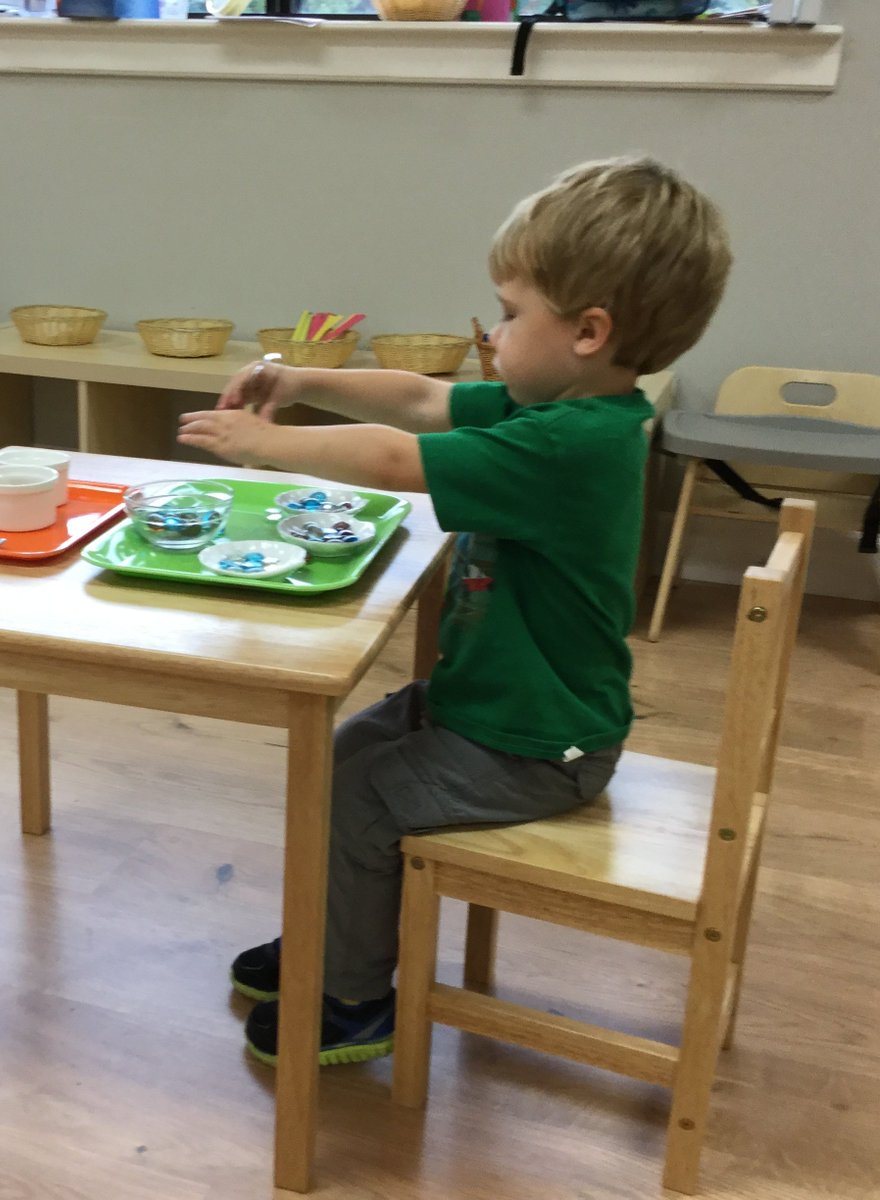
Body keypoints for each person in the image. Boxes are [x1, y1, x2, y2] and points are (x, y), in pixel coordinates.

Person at [177, 156, 732, 1067]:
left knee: (359, 797)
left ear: (589, 331)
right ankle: (333, 935)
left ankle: (353, 1001)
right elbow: (422, 396)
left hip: (539, 748)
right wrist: (301, 380)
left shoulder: (569, 445)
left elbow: (399, 458)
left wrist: (266, 442)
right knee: (341, 754)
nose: (496, 332)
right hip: (490, 709)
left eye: (512, 314)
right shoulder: (556, 406)